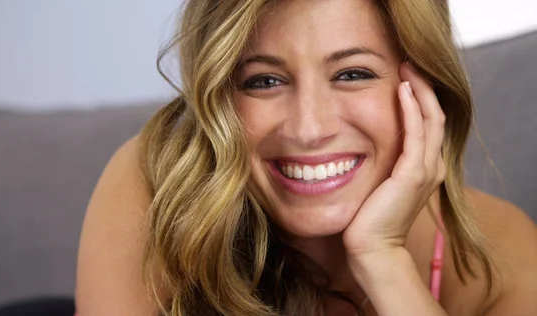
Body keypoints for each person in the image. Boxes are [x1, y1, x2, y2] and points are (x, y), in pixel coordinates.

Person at [76, 0, 537, 315]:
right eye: (264, 80)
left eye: (352, 74)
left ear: (425, 90)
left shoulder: (502, 252)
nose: (309, 129)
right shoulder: (158, 185)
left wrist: (383, 259)